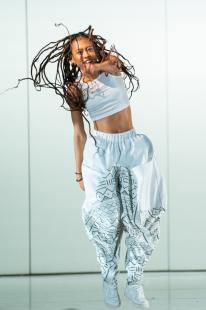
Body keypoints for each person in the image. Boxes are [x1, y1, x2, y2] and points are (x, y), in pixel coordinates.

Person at [27, 25, 166, 308]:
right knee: (106, 219)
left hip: (132, 148)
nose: (86, 54)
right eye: (79, 52)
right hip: (100, 151)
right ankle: (108, 279)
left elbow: (113, 67)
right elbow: (78, 132)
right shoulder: (74, 89)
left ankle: (134, 281)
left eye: (89, 48)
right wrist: (78, 170)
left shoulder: (112, 64)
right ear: (70, 59)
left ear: (97, 49)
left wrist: (97, 65)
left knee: (139, 216)